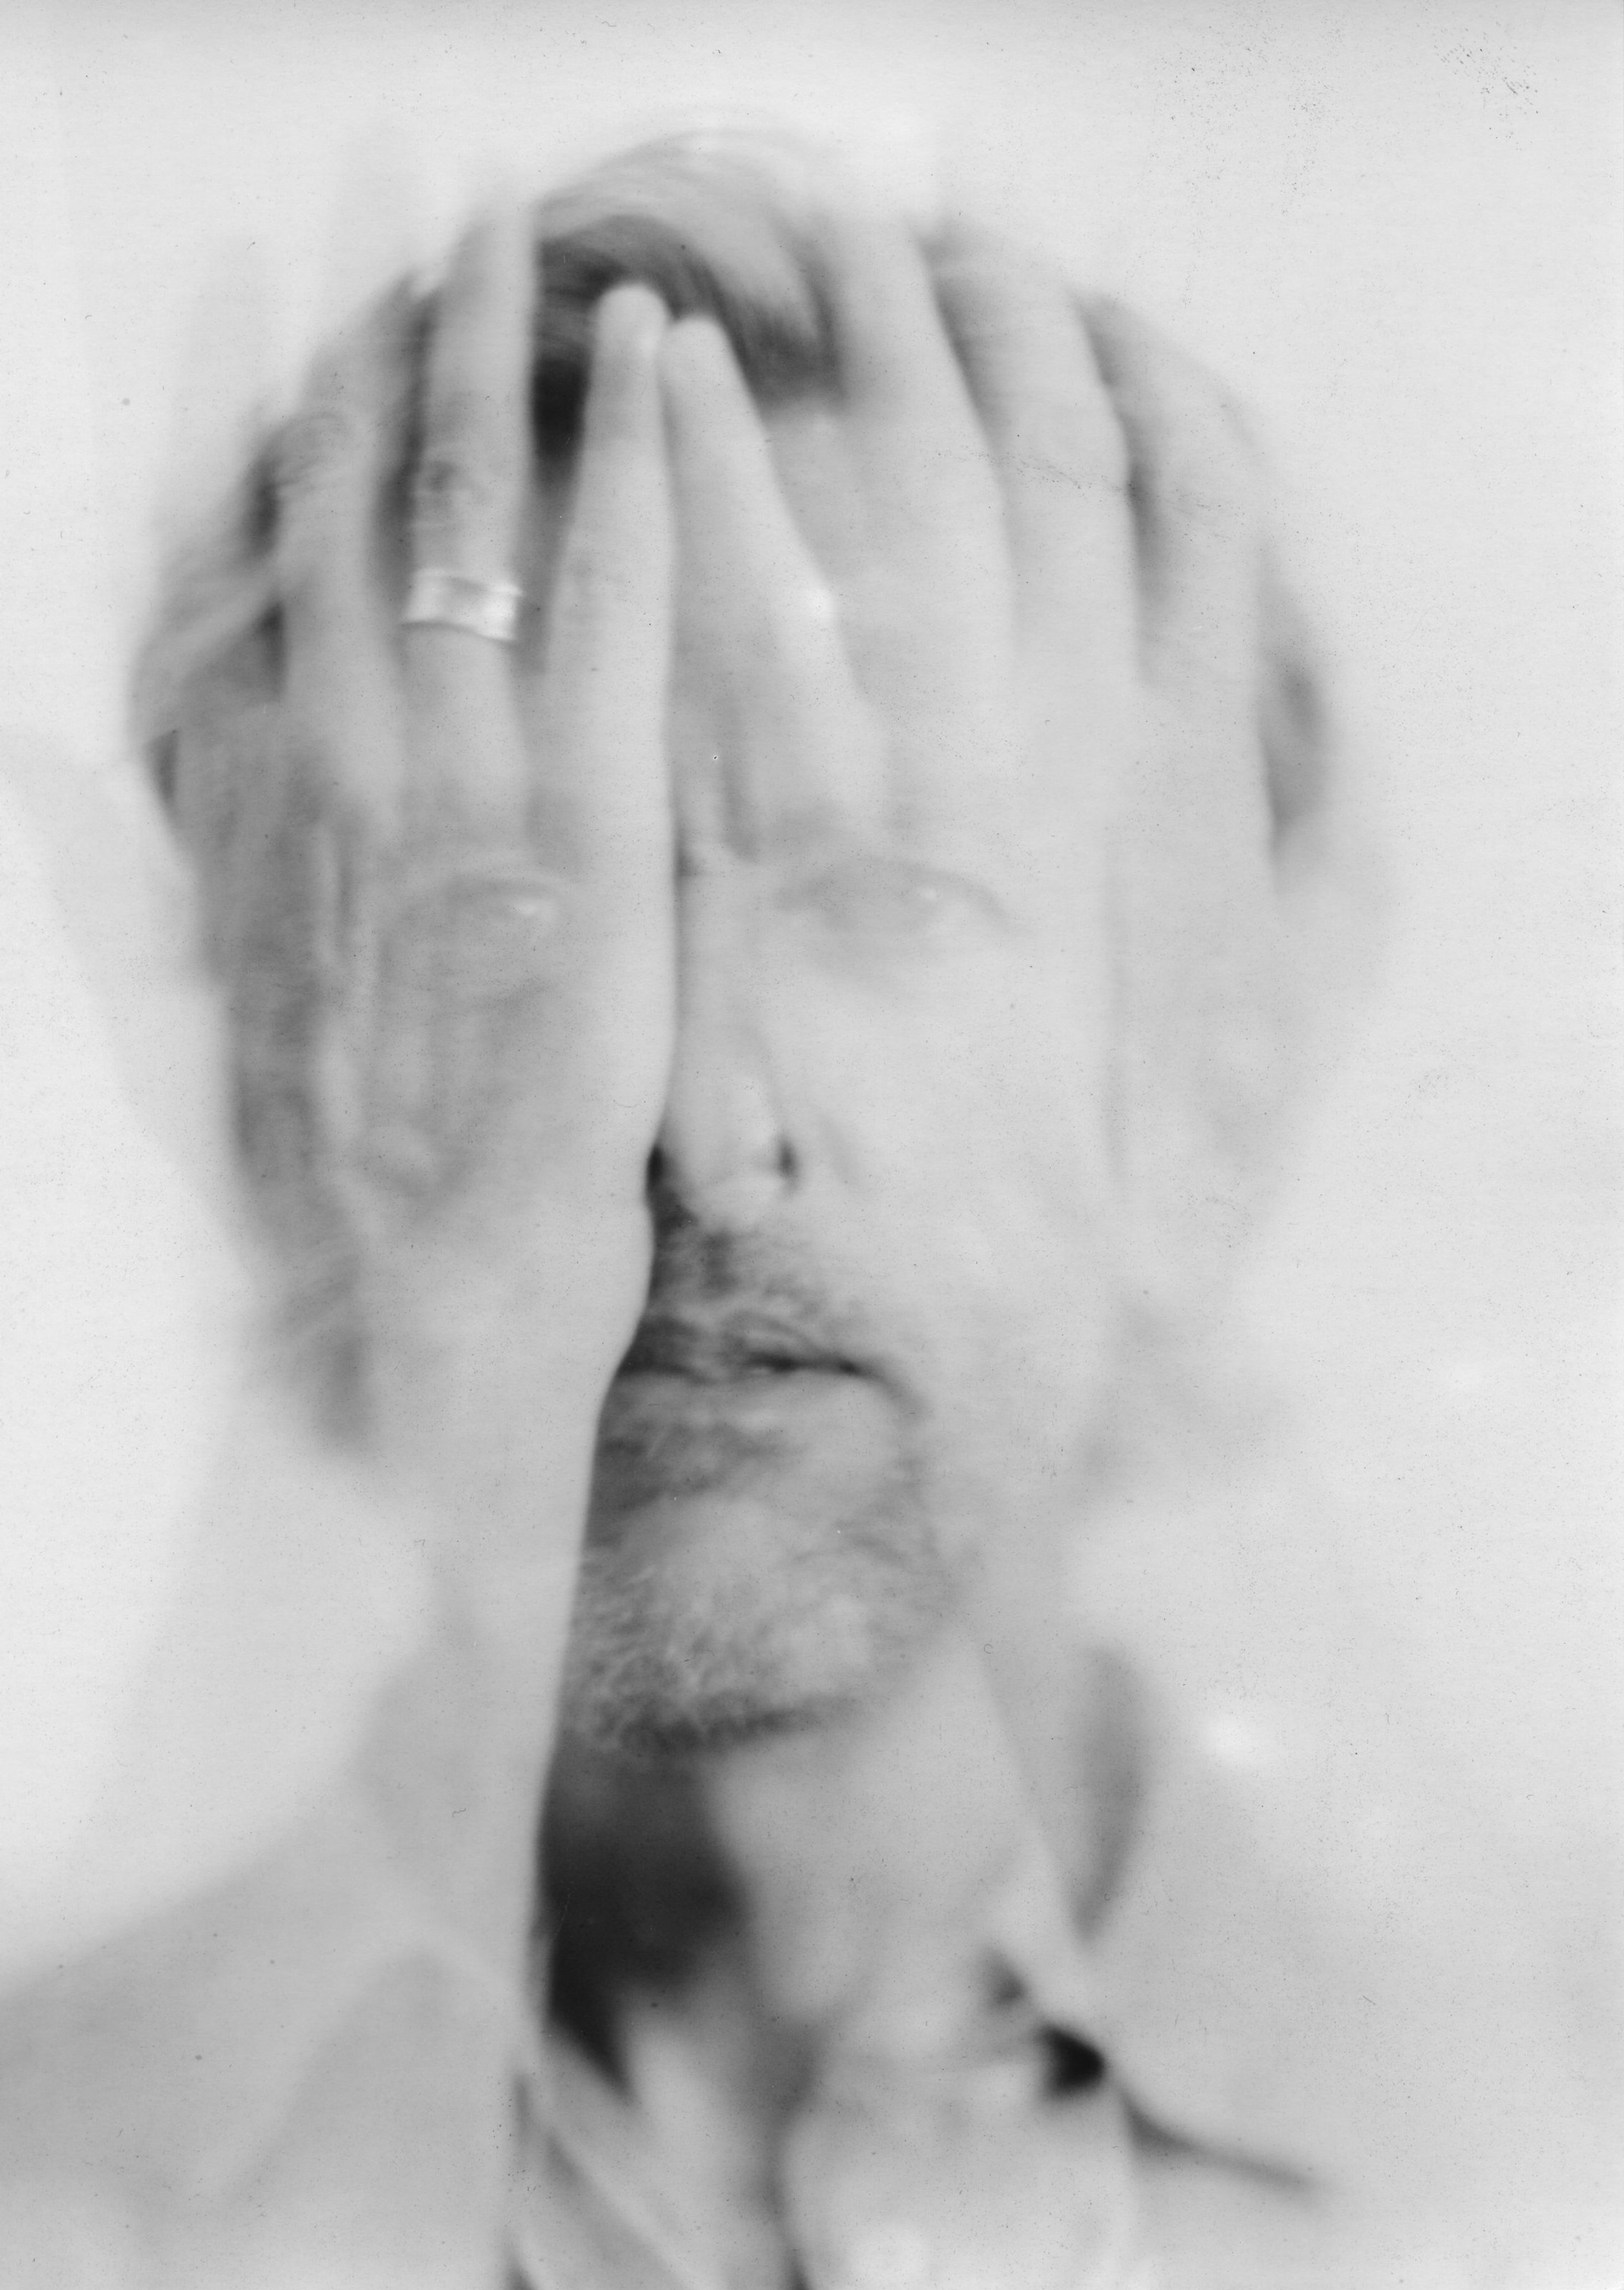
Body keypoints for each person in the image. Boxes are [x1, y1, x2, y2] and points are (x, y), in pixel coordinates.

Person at [7, 131, 1581, 2288]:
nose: (696, 1121)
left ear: (1217, 1038)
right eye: (500, 906)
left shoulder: (1551, 2145)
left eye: (893, 894)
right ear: (279, 1086)